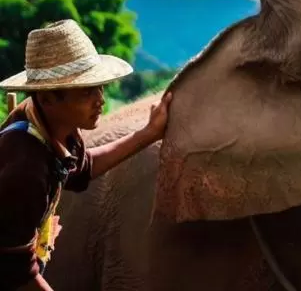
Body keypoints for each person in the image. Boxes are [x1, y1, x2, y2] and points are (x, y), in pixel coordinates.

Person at [0, 19, 173, 291]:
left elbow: (83, 168)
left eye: (100, 87)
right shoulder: (26, 166)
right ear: (47, 99)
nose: (100, 99)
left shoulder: (49, 129)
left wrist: (148, 134)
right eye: (86, 91)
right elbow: (15, 272)